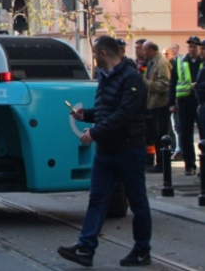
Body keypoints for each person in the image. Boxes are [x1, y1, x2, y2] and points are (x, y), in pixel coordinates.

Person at [57, 35, 151, 268]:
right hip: (107, 150)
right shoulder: (104, 77)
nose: (94, 58)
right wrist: (86, 115)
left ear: (104, 53)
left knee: (138, 202)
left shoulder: (132, 79)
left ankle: (142, 250)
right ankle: (85, 248)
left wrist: (95, 132)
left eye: (95, 53)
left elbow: (124, 115)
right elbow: (104, 109)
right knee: (97, 199)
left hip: (129, 149)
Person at [169, 37, 200, 175]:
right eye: (190, 47)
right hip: (185, 102)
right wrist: (171, 103)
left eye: (194, 47)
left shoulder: (203, 61)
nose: (192, 49)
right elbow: (172, 83)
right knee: (185, 135)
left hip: (201, 102)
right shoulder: (180, 61)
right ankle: (190, 165)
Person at [142, 41, 170, 172]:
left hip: (161, 105)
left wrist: (147, 84)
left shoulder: (161, 63)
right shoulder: (152, 62)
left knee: (161, 136)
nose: (143, 52)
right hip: (153, 104)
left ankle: (162, 164)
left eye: (145, 50)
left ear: (151, 50)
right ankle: (159, 163)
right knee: (155, 136)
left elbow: (164, 85)